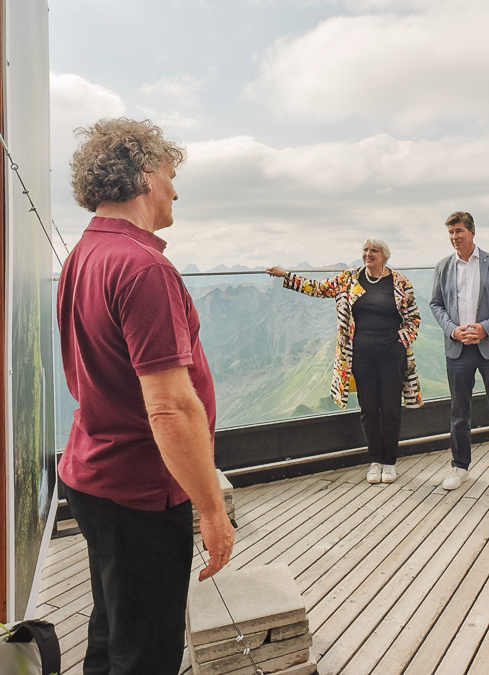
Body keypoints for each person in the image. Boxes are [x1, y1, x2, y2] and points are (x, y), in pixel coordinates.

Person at [58, 118, 234, 674]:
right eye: (171, 174)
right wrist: (211, 509)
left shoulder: (84, 255)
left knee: (113, 629)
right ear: (144, 178)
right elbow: (170, 406)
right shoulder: (144, 268)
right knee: (149, 652)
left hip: (95, 476)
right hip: (142, 489)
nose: (176, 189)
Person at [267, 239, 422, 485]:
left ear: (384, 256)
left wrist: (400, 340)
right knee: (369, 409)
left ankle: (390, 463)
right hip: (360, 356)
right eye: (365, 250)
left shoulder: (400, 282)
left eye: (374, 250)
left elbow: (413, 318)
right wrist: (286, 275)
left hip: (392, 355)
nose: (368, 254)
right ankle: (375, 462)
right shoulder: (349, 279)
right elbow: (318, 288)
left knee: (391, 409)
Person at [429, 211, 489, 498]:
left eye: (459, 231)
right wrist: (453, 331)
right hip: (458, 349)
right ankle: (460, 467)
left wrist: (485, 328)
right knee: (459, 413)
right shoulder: (443, 267)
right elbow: (436, 304)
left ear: (472, 232)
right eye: (451, 233)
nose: (455, 237)